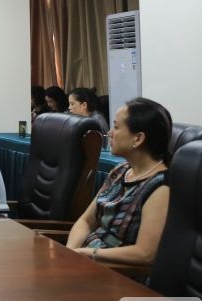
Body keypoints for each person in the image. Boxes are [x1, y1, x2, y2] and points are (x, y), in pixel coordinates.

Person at [66, 98, 171, 266]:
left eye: (116, 127)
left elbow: (145, 254)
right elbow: (86, 221)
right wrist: (70, 252)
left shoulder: (161, 187)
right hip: (85, 260)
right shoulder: (121, 170)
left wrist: (89, 254)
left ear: (138, 138)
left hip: (115, 271)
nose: (109, 133)